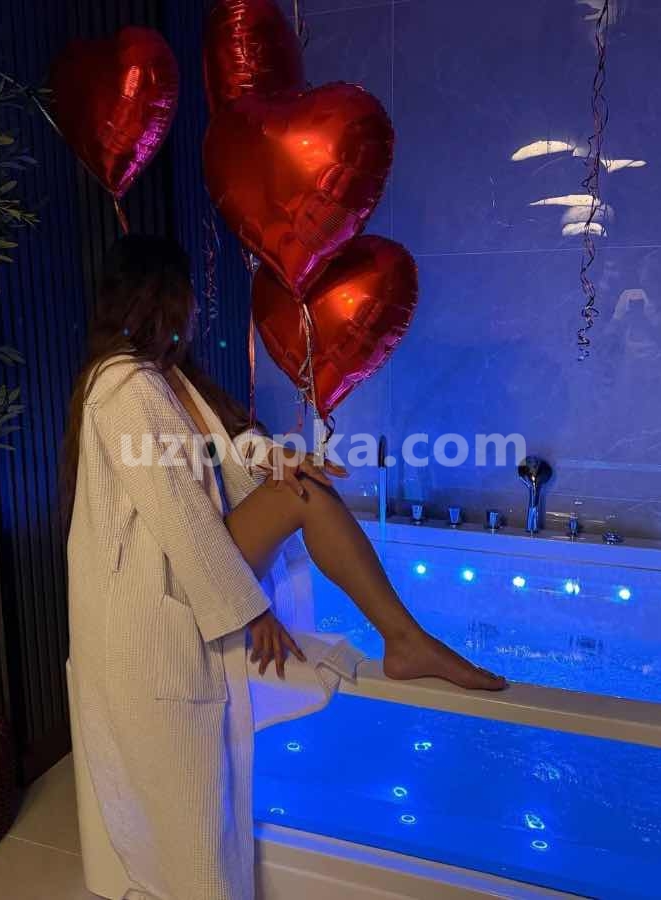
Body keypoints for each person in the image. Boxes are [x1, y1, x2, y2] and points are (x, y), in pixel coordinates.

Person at [63, 234, 505, 900]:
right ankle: (406, 640)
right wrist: (252, 609)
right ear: (162, 298)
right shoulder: (126, 388)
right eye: (188, 299)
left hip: (182, 570)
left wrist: (280, 461)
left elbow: (224, 451)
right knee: (191, 831)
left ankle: (406, 640)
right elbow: (179, 513)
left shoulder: (160, 378)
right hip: (154, 594)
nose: (196, 313)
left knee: (303, 491)